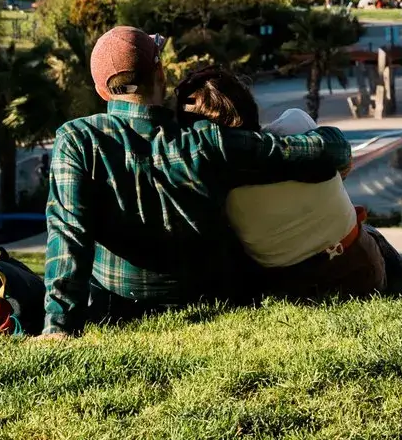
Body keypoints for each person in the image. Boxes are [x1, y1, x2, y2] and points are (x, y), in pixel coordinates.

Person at [40, 26, 354, 338]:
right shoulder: (206, 141)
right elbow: (329, 148)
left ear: (102, 91)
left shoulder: (77, 139)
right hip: (208, 298)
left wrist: (59, 327)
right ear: (160, 74)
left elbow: (68, 235)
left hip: (116, 303)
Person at [174, 67, 400, 302]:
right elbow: (343, 165)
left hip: (291, 287)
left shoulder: (209, 182)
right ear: (246, 103)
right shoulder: (295, 124)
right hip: (357, 271)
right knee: (372, 235)